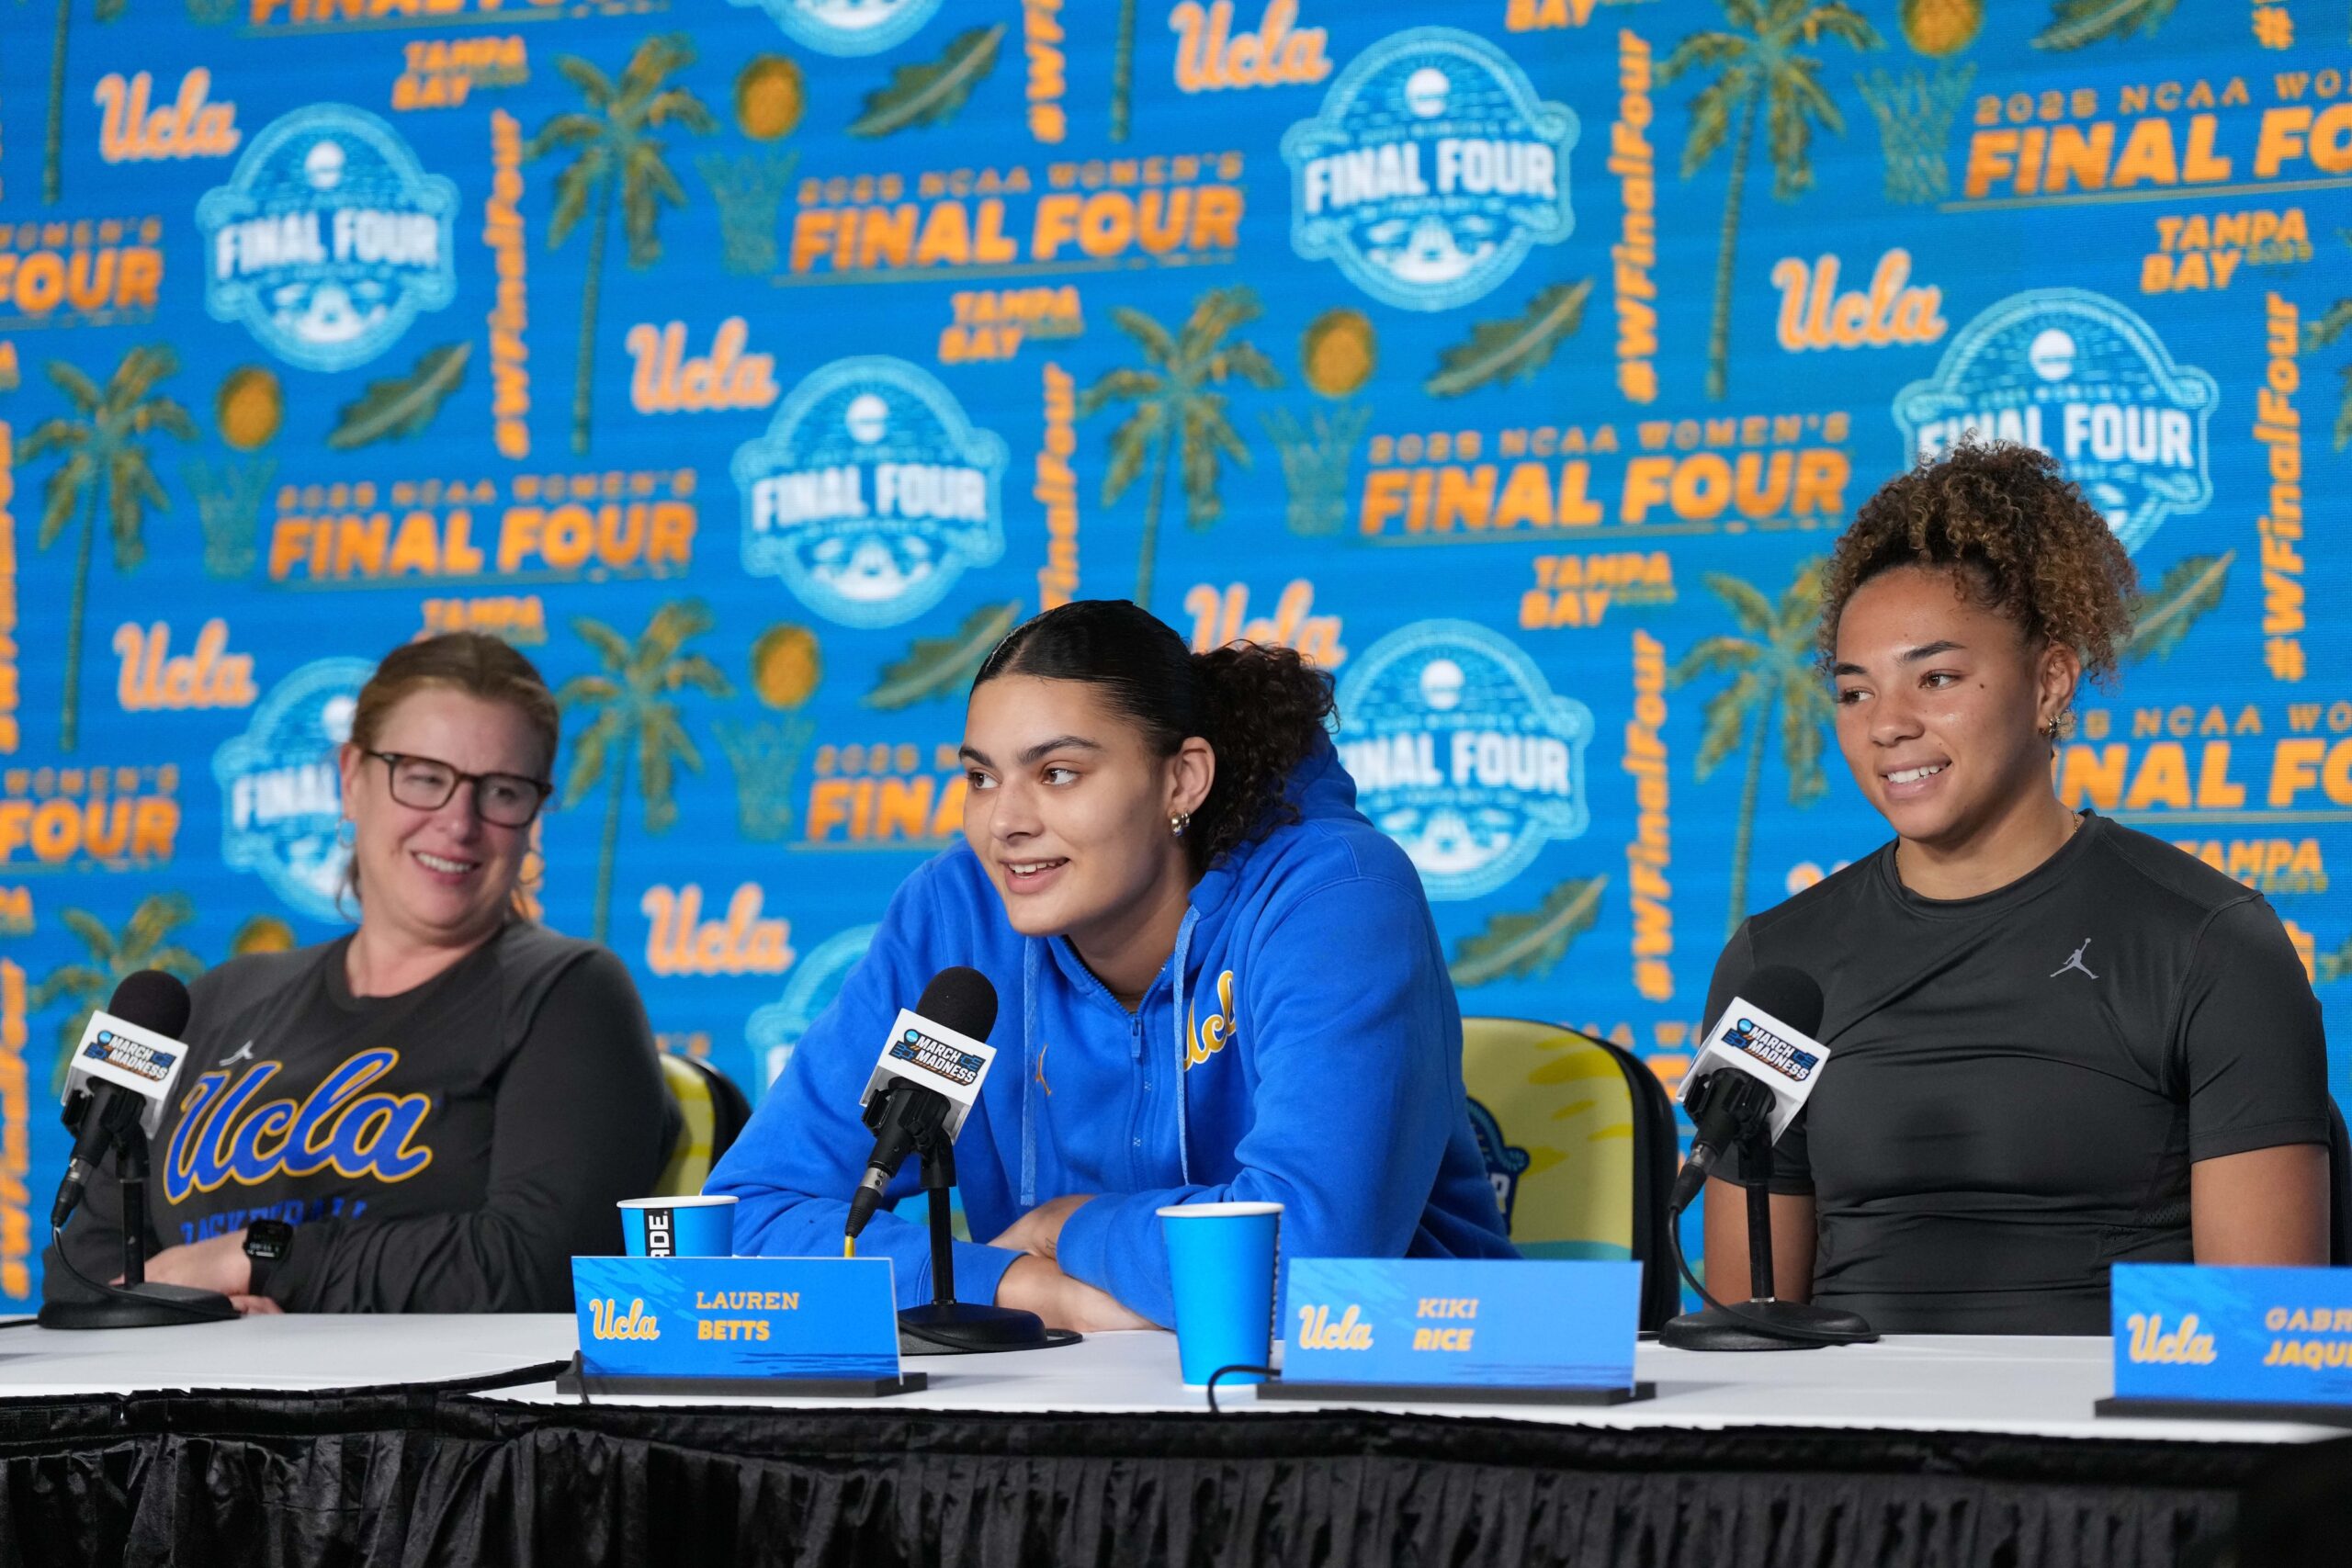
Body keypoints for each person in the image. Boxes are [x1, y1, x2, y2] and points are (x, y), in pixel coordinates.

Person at [709, 600, 1515, 1330]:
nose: (1006, 822)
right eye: (982, 777)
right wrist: (1027, 1288)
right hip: (1069, 1415)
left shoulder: (1333, 895)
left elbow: (1303, 1257)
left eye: (1058, 773)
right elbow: (749, 1215)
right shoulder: (956, 916)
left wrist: (1071, 1226)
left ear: (1181, 778)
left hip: (1388, 1412)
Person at [1702, 442, 2330, 1335]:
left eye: (1938, 678)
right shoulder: (1775, 967)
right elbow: (1745, 1331)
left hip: (2126, 1452)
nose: (1887, 725)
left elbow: (2259, 1345)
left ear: (2049, 682)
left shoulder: (2210, 942)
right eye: (1852, 692)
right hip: (1845, 1454)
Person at [46, 632, 677, 1314]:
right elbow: (77, 1264)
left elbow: (536, 1264)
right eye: (424, 777)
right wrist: (201, 1314)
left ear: (533, 817)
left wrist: (255, 1258)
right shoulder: (202, 1001)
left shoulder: (574, 992)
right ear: (351, 778)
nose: (458, 822)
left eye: (501, 791)